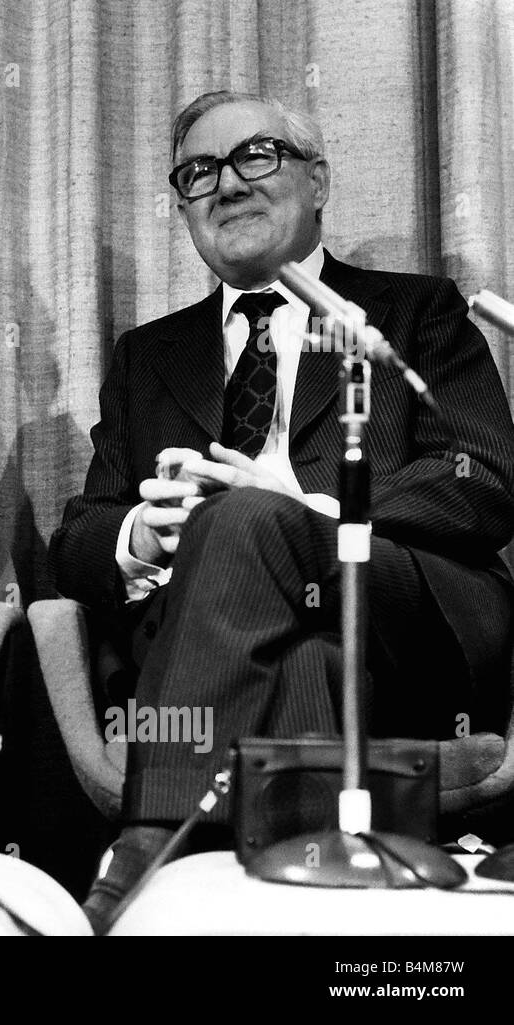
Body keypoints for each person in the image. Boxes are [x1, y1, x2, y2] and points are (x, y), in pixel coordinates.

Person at [48, 90, 514, 931]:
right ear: (184, 205)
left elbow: (483, 474)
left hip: (404, 604)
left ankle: (151, 831)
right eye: (199, 173)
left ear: (318, 180)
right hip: (234, 629)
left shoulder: (416, 311)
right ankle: (307, 902)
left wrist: (307, 508)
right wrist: (140, 534)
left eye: (255, 156)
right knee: (299, 653)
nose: (226, 184)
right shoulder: (146, 355)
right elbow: (77, 538)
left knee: (250, 517)